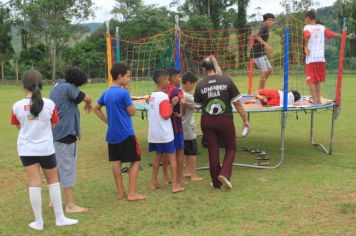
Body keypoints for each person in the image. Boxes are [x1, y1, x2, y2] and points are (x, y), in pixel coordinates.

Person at [11, 70, 78, 230]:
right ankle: (60, 218)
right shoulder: (50, 104)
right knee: (53, 181)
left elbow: (19, 126)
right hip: (46, 149)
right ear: (41, 84)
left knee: (34, 183)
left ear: (23, 85)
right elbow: (54, 124)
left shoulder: (17, 106)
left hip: (26, 150)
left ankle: (39, 222)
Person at [194, 56, 250, 190]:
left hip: (207, 121)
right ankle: (224, 173)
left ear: (204, 69)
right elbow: (237, 103)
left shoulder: (200, 84)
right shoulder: (227, 80)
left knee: (213, 150)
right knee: (231, 148)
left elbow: (197, 107)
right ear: (215, 66)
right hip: (225, 119)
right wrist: (245, 120)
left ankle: (216, 182)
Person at [94, 62, 146, 201]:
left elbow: (96, 108)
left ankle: (121, 192)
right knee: (135, 160)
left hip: (112, 134)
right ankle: (132, 193)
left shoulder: (106, 92)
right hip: (126, 133)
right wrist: (128, 97)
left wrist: (107, 122)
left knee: (116, 162)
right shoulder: (123, 93)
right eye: (127, 76)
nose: (129, 79)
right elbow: (132, 112)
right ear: (119, 76)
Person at [50, 66, 92, 213]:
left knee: (58, 167)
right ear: (76, 83)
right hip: (65, 134)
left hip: (56, 133)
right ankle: (70, 205)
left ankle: (53, 200)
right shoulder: (69, 88)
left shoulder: (58, 85)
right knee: (67, 167)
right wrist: (88, 103)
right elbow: (87, 97)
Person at [304, 10, 355, 104]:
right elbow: (333, 35)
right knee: (317, 80)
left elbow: (307, 35)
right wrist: (346, 37)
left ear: (307, 18)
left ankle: (315, 102)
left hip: (311, 58)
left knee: (310, 80)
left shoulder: (307, 27)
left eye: (305, 19)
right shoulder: (322, 27)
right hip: (321, 59)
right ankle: (318, 101)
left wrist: (306, 46)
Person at [148, 69, 185, 193]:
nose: (169, 82)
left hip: (154, 133)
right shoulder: (163, 96)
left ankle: (153, 183)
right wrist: (172, 104)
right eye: (168, 80)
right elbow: (166, 115)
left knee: (157, 158)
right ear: (163, 81)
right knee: (172, 157)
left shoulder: (152, 95)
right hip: (165, 133)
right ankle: (175, 185)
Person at [162, 68, 186, 186]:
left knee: (166, 152)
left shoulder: (162, 90)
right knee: (179, 151)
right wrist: (183, 113)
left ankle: (166, 177)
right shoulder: (177, 90)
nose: (180, 79)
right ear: (172, 78)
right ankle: (179, 178)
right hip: (176, 125)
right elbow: (184, 102)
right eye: (179, 76)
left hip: (164, 126)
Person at [181, 71, 203, 182]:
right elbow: (199, 106)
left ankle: (187, 171)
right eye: (193, 84)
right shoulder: (187, 96)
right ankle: (193, 175)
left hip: (182, 127)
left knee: (186, 151)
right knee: (193, 151)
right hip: (188, 127)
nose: (194, 86)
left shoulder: (180, 93)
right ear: (188, 83)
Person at [252, 13, 275, 90]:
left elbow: (260, 39)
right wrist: (267, 45)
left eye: (272, 20)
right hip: (256, 53)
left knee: (269, 70)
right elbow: (257, 37)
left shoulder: (266, 28)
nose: (271, 22)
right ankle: (261, 91)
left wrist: (267, 48)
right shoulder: (264, 27)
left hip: (262, 52)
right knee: (264, 71)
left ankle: (260, 89)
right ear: (265, 21)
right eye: (269, 20)